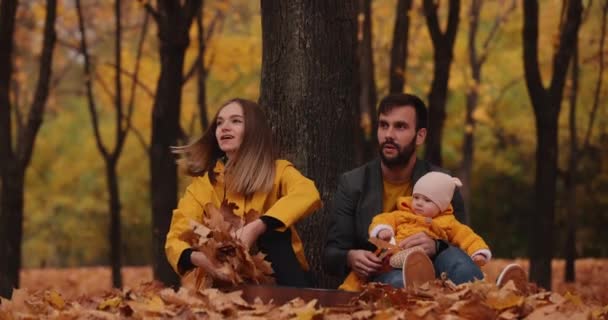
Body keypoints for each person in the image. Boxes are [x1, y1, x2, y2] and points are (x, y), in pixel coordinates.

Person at [323, 93, 527, 292]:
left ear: (420, 136)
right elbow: (331, 255)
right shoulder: (353, 183)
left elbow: (460, 237)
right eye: (383, 125)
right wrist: (350, 257)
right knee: (399, 281)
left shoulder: (442, 182)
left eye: (400, 126)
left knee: (456, 260)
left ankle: (496, 295)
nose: (389, 135)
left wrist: (436, 245)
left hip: (439, 271)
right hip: (381, 275)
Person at [165, 98, 322, 287]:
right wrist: (201, 259)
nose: (224, 127)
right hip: (221, 280)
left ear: (254, 131)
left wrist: (258, 226)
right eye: (220, 123)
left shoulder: (278, 171)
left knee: (275, 234)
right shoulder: (203, 185)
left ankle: (295, 304)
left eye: (236, 121)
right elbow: (176, 237)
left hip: (280, 277)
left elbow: (308, 193)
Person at [369, 171, 491, 288]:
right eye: (416, 197)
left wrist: (479, 251)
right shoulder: (402, 214)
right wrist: (383, 230)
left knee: (457, 261)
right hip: (396, 260)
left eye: (427, 200)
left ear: (441, 206)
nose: (419, 203)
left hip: (431, 262)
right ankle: (406, 288)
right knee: (397, 281)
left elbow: (467, 236)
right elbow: (383, 219)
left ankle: (473, 283)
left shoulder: (447, 222)